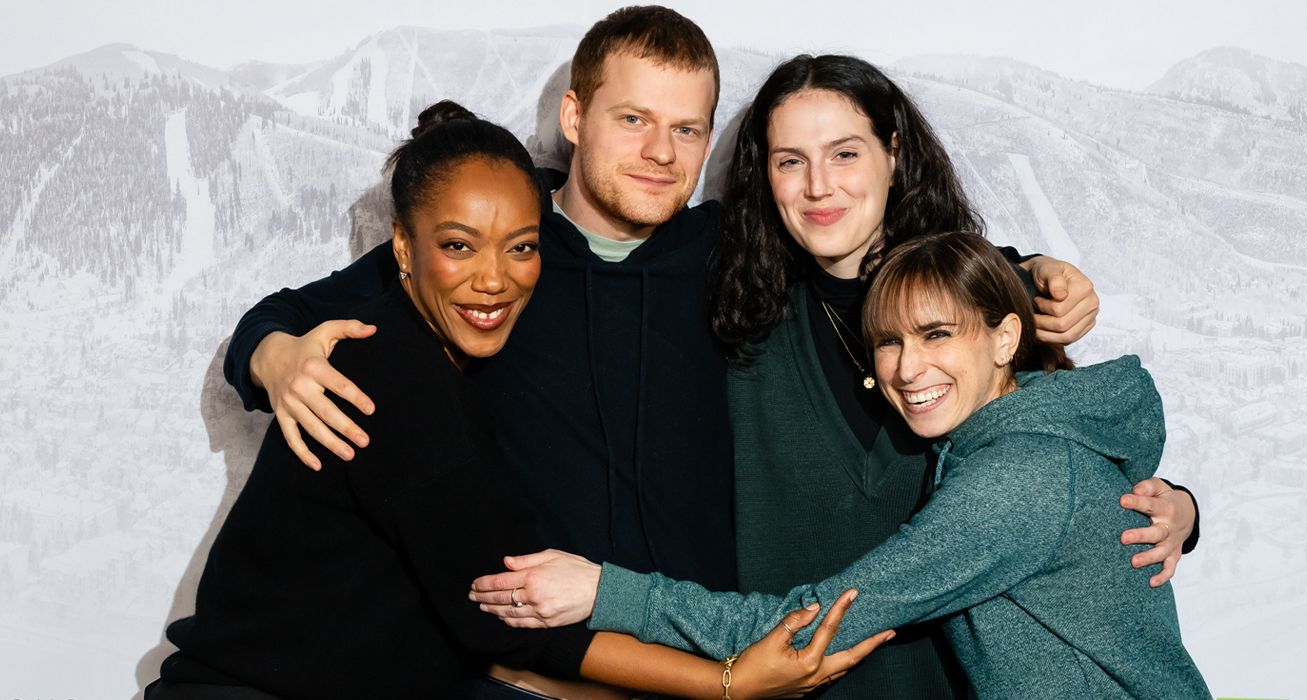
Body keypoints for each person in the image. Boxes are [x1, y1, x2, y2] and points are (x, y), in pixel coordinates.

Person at [220, 8, 1112, 697]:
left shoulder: (734, 254)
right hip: (536, 677)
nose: (661, 152)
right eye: (634, 119)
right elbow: (290, 315)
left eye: (688, 130)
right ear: (574, 114)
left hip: (718, 671)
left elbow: (892, 274)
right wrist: (271, 355)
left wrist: (1028, 277)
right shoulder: (497, 247)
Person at [473, 54, 1201, 699]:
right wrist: (364, 309)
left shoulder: (983, 305)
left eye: (845, 153)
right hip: (777, 675)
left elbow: (1075, 445)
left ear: (893, 153)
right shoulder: (725, 289)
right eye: (790, 160)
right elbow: (545, 220)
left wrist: (1177, 509)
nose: (819, 185)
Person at [147, 101, 886, 700]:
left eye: (522, 247)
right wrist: (727, 683)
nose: (494, 279)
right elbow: (507, 616)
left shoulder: (448, 353)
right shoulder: (389, 375)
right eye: (460, 247)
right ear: (402, 249)